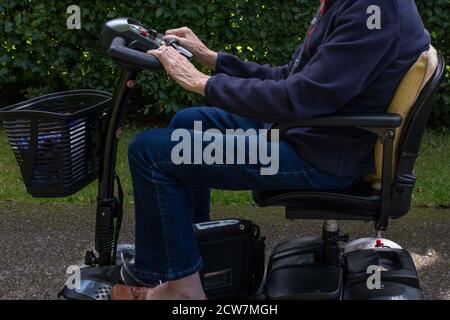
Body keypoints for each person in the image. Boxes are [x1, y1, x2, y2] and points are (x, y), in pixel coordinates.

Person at [111, 0, 431, 300]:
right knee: (189, 123)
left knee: (150, 153)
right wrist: (214, 58)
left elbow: (300, 97)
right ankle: (196, 262)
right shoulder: (351, 6)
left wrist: (200, 82)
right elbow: (291, 79)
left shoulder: (373, 12)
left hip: (320, 157)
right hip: (314, 136)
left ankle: (183, 290)